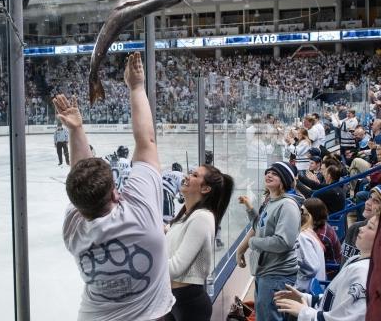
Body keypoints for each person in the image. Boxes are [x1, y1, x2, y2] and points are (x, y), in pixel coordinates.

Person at [53, 52, 174, 320]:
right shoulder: (140, 214)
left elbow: (81, 175)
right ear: (115, 191)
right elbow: (147, 142)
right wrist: (137, 87)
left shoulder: (73, 231)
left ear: (77, 206)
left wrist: (76, 130)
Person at [275, 212, 379, 321]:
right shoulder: (356, 259)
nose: (361, 228)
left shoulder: (364, 273)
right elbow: (336, 301)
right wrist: (307, 298)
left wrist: (304, 312)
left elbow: (346, 318)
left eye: (370, 227)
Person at [165, 164, 234, 321]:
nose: (187, 176)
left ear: (205, 189)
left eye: (195, 175)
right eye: (190, 173)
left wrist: (145, 267)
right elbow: (161, 231)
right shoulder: (185, 216)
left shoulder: (202, 217)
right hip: (173, 299)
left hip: (189, 305)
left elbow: (175, 268)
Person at [236, 161, 301, 321]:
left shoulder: (287, 205)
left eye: (275, 173)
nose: (269, 175)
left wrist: (253, 243)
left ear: (284, 180)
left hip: (276, 275)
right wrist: (250, 210)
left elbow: (283, 242)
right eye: (268, 172)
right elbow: (261, 225)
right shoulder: (272, 201)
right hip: (266, 272)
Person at [341, 186, 381, 265]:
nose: (367, 202)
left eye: (376, 201)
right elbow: (343, 264)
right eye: (369, 198)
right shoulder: (354, 228)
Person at [303, 197, 342, 272]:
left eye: (303, 212)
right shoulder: (318, 225)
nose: (300, 214)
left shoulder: (321, 236)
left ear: (311, 215)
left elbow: (311, 261)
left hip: (331, 269)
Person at [295, 205, 326, 292]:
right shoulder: (309, 233)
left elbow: (312, 268)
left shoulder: (302, 237)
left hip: (307, 291)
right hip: (315, 287)